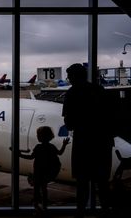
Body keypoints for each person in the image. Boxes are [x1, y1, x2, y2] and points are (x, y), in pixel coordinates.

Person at [62, 63, 114, 218]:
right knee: (103, 183)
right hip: (103, 142)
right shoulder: (100, 90)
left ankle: (81, 213)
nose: (69, 79)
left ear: (75, 76)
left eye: (70, 76)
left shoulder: (72, 93)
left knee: (82, 183)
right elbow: (111, 116)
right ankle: (106, 211)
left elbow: (69, 124)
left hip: (84, 144)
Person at [19, 126, 70, 215]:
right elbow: (60, 153)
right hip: (47, 172)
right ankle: (44, 206)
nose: (37, 136)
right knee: (44, 188)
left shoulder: (38, 147)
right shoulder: (52, 147)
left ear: (42, 137)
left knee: (36, 189)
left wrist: (19, 155)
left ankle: (36, 206)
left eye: (38, 135)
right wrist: (64, 145)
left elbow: (30, 157)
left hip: (38, 172)